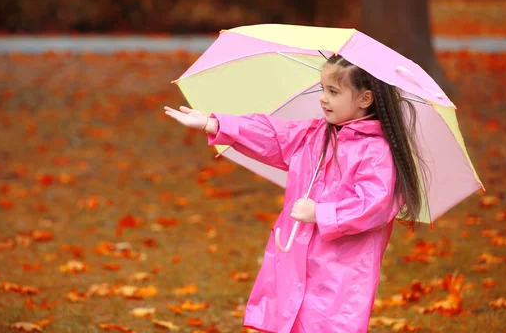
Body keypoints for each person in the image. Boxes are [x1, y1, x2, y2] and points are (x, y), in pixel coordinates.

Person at [164, 54, 425, 333]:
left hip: (339, 273)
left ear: (365, 99)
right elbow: (273, 135)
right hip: (295, 258)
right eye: (322, 89)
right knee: (288, 323)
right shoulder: (315, 136)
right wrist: (213, 124)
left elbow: (375, 204)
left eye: (333, 91)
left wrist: (320, 213)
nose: (323, 98)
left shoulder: (375, 151)